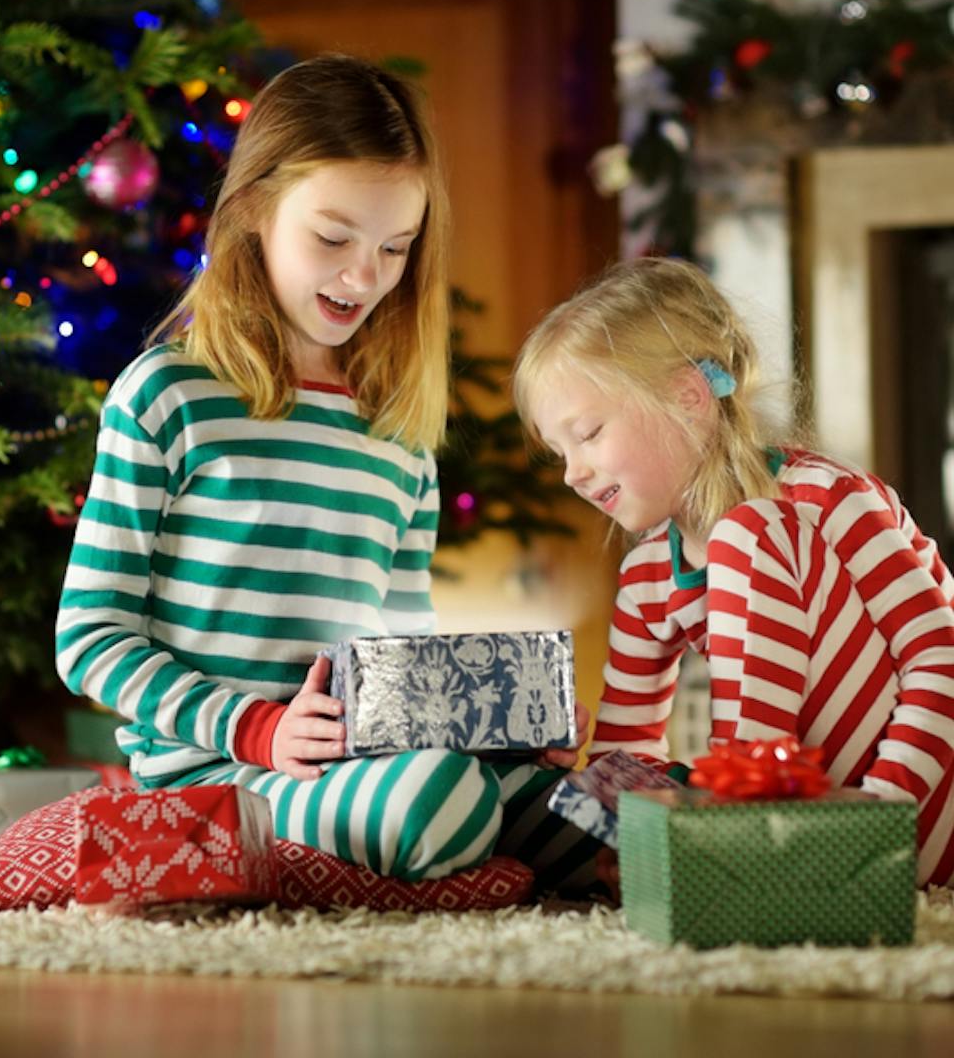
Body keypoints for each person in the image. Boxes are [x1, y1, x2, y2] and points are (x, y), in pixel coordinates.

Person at [56, 54, 589, 885]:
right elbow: (89, 638)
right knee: (442, 801)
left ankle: (512, 833)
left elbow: (402, 658)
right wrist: (256, 728)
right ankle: (460, 837)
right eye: (333, 238)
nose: (364, 275)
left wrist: (501, 728)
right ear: (255, 211)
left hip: (357, 764)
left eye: (395, 247)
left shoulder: (399, 438)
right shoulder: (167, 396)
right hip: (219, 777)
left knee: (590, 805)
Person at [513, 257, 954, 887]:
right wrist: (615, 817)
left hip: (921, 809)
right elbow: (627, 744)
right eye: (560, 452)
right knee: (565, 809)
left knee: (747, 531)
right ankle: (736, 826)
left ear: (688, 398)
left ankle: (744, 822)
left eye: (588, 435)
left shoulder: (829, 500)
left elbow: (941, 656)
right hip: (812, 831)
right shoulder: (648, 575)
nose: (571, 472)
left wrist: (885, 807)